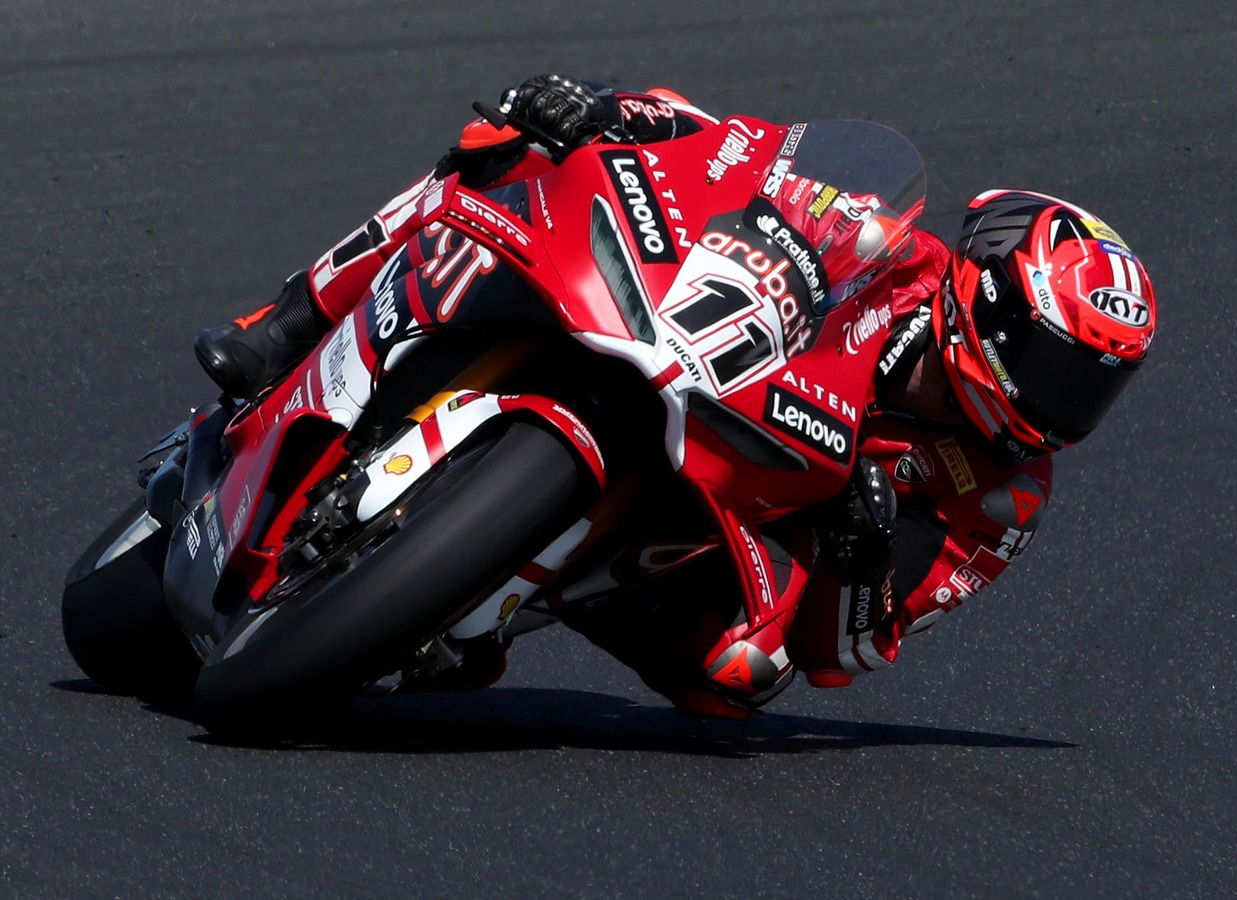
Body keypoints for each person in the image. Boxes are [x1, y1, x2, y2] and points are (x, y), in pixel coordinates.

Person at [194, 76, 1158, 717]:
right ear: (986, 302)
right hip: (686, 353)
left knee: (741, 678)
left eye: (1093, 387)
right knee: (511, 144)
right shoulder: (886, 245)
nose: (1061, 403)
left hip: (746, 509)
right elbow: (744, 153)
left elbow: (848, 654)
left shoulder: (1002, 493)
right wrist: (613, 111)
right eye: (1054, 360)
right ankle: (283, 320)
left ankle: (514, 588)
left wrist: (862, 556)